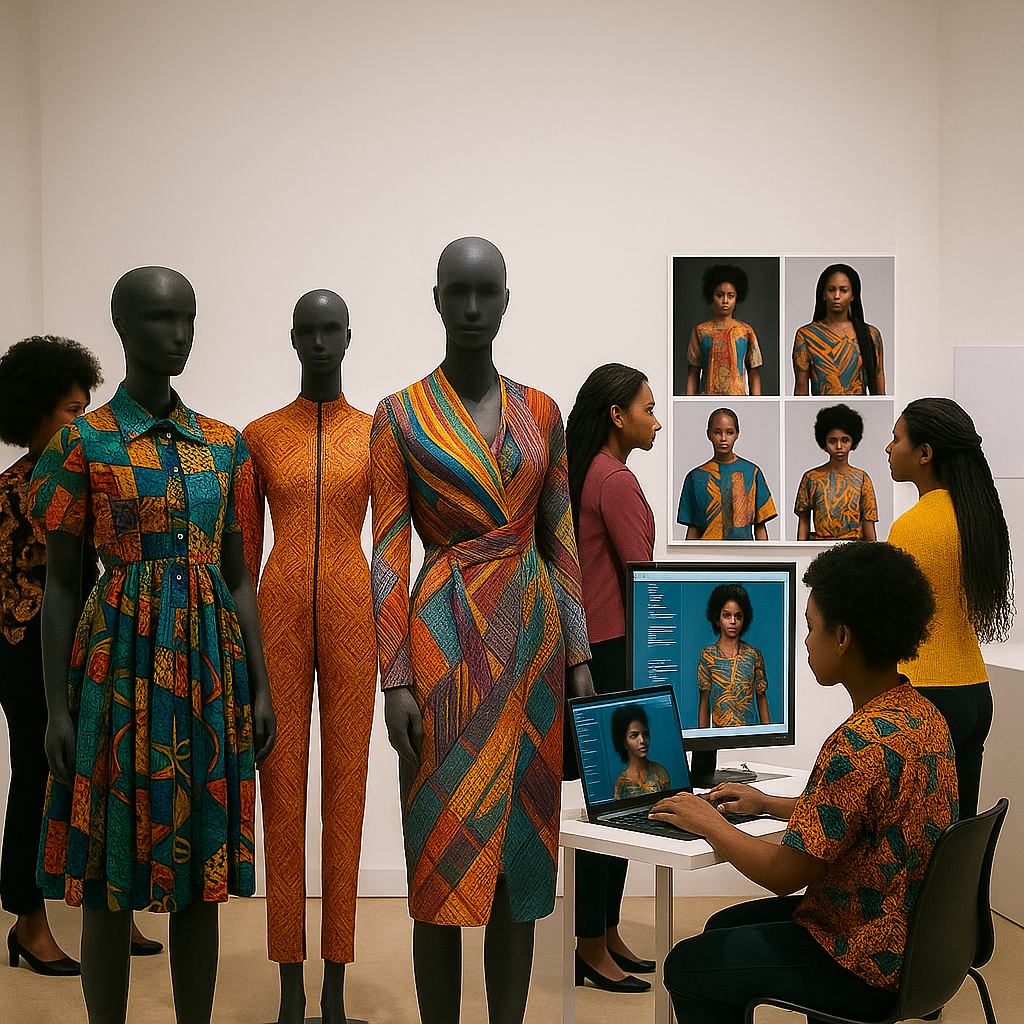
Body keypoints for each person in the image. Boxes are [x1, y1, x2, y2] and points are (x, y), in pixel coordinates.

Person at [32, 267, 276, 1024]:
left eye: (188, 318)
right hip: (119, 670)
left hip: (207, 671)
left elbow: (239, 577)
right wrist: (55, 709)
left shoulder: (222, 445)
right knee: (110, 869)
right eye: (161, 317)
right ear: (124, 327)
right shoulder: (85, 441)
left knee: (199, 874)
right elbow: (63, 587)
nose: (178, 334)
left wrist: (259, 686)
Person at [370, 237, 594, 1024]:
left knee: (523, 851)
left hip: (531, 641)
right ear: (435, 298)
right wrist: (393, 675)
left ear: (506, 299)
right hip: (444, 639)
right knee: (440, 844)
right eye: (457, 292)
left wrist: (578, 659)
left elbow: (558, 534)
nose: (471, 308)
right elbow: (388, 550)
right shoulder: (398, 414)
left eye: (485, 292)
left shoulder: (542, 411)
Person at [651, 541, 957, 1024]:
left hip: (860, 957)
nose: (806, 641)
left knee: (689, 964)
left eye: (812, 628)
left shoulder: (857, 745)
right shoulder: (923, 718)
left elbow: (782, 874)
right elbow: (865, 814)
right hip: (917, 943)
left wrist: (709, 821)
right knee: (721, 927)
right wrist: (768, 803)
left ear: (843, 637)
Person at [1, 337, 161, 978]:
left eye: (86, 409)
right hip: (24, 656)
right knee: (39, 777)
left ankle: (110, 909)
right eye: (72, 411)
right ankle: (28, 921)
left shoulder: (88, 477)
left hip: (91, 649)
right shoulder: (11, 494)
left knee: (109, 774)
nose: (83, 423)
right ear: (35, 411)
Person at [238, 289, 375, 1024]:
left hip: (356, 610)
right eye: (308, 330)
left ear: (348, 336)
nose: (320, 341)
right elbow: (245, 554)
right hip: (279, 613)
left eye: (332, 330)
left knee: (346, 800)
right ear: (292, 338)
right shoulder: (258, 436)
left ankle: (335, 989)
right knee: (282, 799)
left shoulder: (375, 432)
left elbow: (392, 549)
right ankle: (290, 987)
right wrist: (248, 664)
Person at [564, 362, 658, 994]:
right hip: (614, 651)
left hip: (600, 649)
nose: (656, 419)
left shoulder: (592, 473)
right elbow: (643, 577)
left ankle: (605, 932)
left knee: (620, 798)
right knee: (613, 803)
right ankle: (591, 945)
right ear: (617, 416)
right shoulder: (613, 478)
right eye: (648, 408)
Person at [886, 397, 1013, 817]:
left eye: (896, 438)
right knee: (955, 849)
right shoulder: (977, 515)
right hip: (975, 691)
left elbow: (890, 621)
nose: (889, 448)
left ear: (924, 454)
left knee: (918, 846)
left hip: (926, 693)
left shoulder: (911, 527)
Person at [677, 408, 776, 540]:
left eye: (729, 432)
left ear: (737, 434)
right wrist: (688, 559)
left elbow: (760, 526)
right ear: (709, 434)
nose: (723, 438)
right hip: (707, 556)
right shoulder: (695, 477)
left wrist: (765, 559)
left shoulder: (752, 473)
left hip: (744, 556)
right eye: (717, 432)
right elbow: (693, 528)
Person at [793, 263, 885, 396]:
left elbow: (879, 386)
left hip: (860, 412)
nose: (837, 296)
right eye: (831, 290)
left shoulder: (871, 334)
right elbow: (800, 390)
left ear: (853, 295)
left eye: (843, 290)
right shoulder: (806, 335)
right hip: (821, 413)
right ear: (823, 294)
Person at [795, 403, 878, 540]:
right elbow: (804, 520)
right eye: (832, 441)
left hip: (854, 550)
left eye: (845, 440)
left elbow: (868, 522)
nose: (839, 446)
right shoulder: (811, 478)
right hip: (819, 549)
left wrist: (874, 558)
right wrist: (800, 554)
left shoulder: (862, 479)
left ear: (853, 441)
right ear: (824, 442)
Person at [697, 584, 769, 728]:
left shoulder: (753, 655)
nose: (732, 621)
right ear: (717, 619)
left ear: (744, 619)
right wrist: (703, 740)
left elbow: (761, 696)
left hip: (748, 737)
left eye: (738, 616)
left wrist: (769, 739)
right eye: (727, 616)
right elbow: (704, 700)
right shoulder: (708, 656)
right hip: (719, 736)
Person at [685, 265, 762, 396]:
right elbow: (693, 373)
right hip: (708, 399)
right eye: (720, 295)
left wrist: (757, 404)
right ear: (712, 296)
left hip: (739, 399)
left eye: (730, 296)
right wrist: (689, 403)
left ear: (737, 298)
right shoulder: (701, 331)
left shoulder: (746, 331)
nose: (725, 301)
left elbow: (754, 373)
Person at [611, 705, 670, 799]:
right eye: (634, 736)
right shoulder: (622, 783)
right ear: (624, 742)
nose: (642, 740)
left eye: (645, 734)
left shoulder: (660, 772)